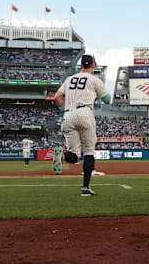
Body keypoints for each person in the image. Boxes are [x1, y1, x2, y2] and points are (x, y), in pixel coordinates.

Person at [53, 54, 111, 196]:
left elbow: (57, 97)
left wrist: (64, 110)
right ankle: (85, 188)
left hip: (68, 115)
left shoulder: (69, 79)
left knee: (74, 155)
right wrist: (95, 94)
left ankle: (62, 157)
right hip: (85, 113)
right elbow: (108, 99)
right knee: (89, 152)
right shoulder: (94, 79)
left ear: (80, 66)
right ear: (92, 65)